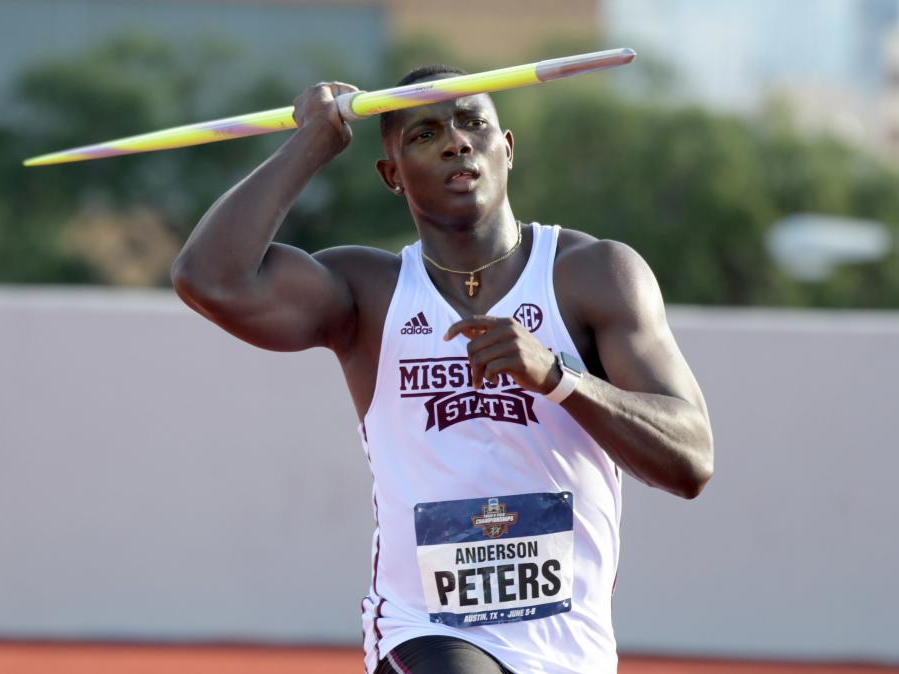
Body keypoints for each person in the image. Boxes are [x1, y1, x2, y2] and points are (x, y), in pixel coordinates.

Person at [170, 65, 714, 674]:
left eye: (474, 123)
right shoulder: (367, 293)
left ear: (506, 149)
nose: (457, 141)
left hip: (571, 647)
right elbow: (208, 278)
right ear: (391, 175)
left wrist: (559, 377)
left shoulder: (593, 275)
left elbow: (690, 460)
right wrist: (309, 145)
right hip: (425, 629)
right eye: (425, 134)